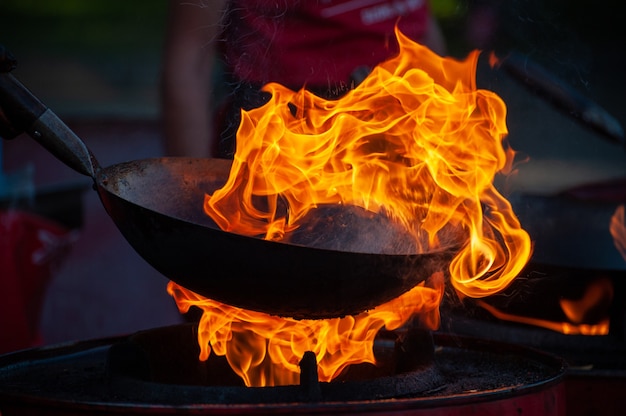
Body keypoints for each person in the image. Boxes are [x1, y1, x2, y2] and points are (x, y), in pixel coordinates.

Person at [161, 0, 446, 159]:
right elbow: (189, 64)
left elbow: (422, 29)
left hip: (405, 136)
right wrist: (191, 202)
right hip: (282, 144)